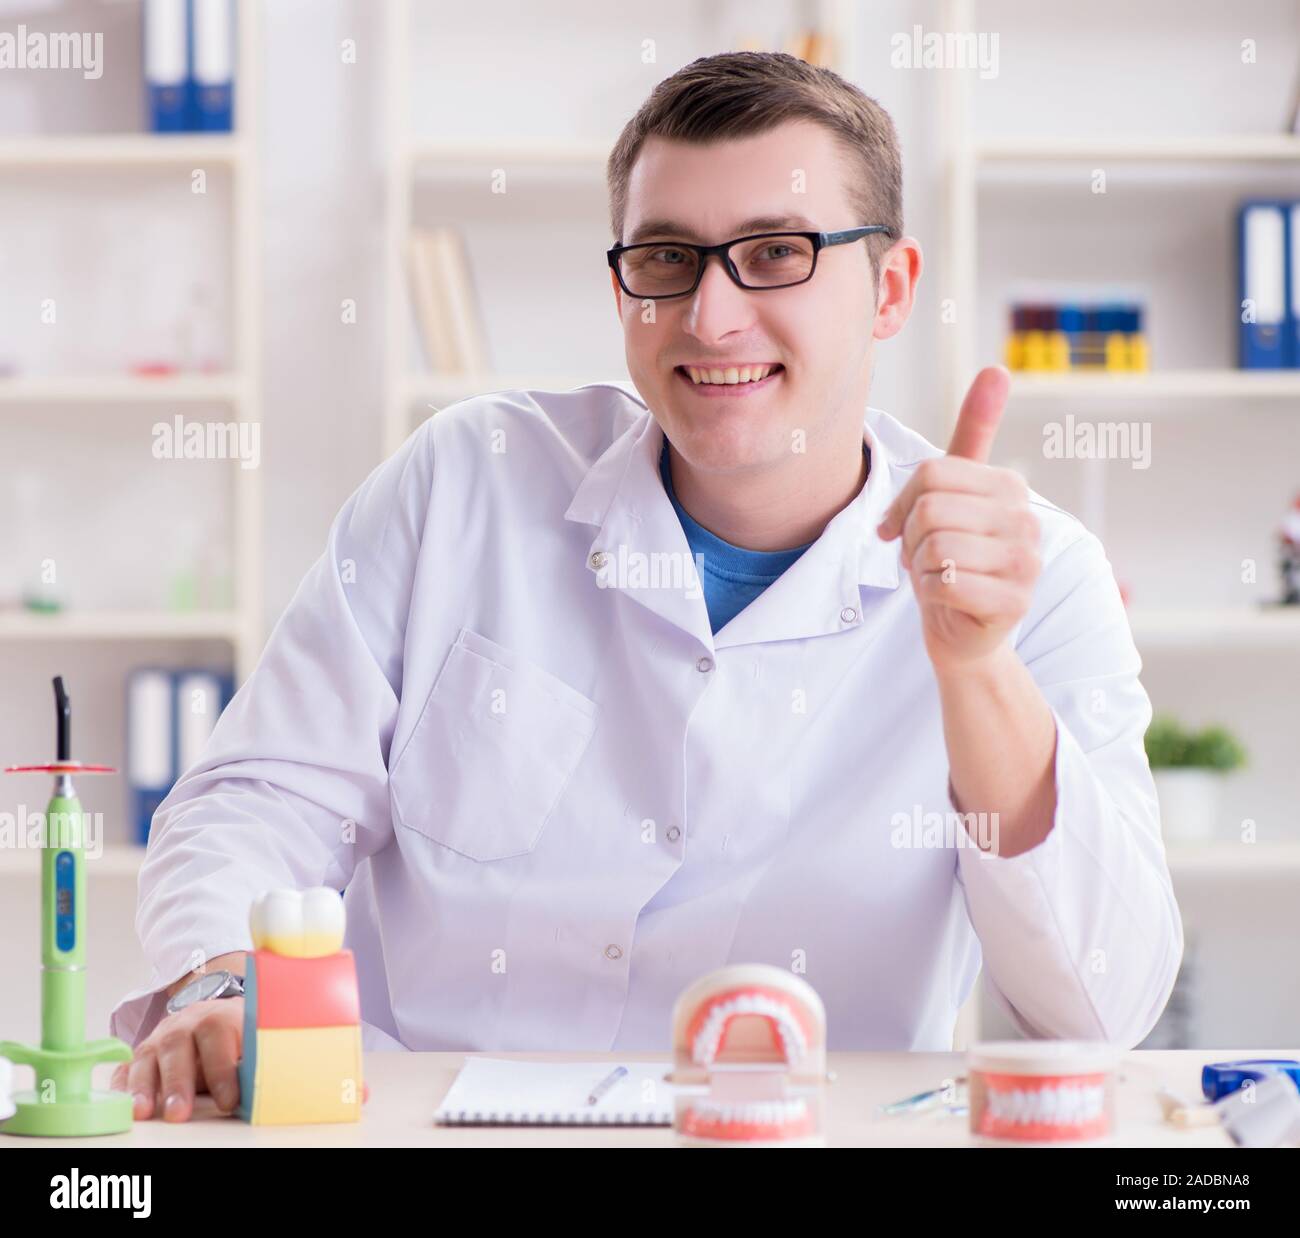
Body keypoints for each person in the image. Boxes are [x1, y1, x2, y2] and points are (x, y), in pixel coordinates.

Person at [111, 51, 1182, 1122]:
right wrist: (221, 978)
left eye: (776, 252)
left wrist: (976, 667)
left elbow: (1100, 1004)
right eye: (668, 256)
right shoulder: (465, 482)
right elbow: (261, 797)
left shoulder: (1026, 576)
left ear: (889, 288)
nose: (710, 317)